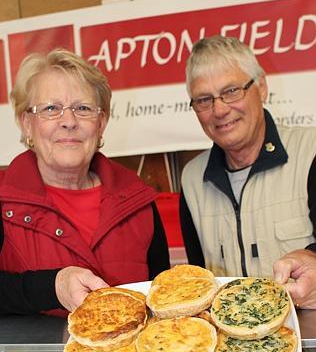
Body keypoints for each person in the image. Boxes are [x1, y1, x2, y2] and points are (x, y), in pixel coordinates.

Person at [0, 48, 170, 315]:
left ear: (101, 122)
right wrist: (51, 287)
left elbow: (164, 299)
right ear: (27, 124)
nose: (69, 121)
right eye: (51, 108)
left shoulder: (139, 201)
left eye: (83, 108)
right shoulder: (3, 199)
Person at [180, 35, 316, 307]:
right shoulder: (191, 179)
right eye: (204, 100)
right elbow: (199, 284)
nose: (219, 110)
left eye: (231, 91)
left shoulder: (311, 152)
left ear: (262, 87)